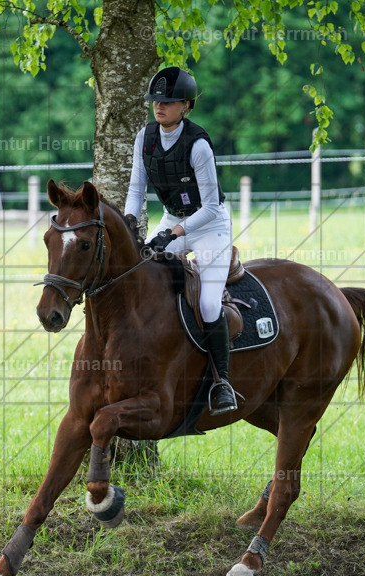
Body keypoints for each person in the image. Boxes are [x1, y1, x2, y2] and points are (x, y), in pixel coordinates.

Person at [124, 66, 237, 416]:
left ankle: (222, 384)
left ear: (186, 106)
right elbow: (135, 188)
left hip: (210, 225)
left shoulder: (199, 144)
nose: (160, 106)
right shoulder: (145, 138)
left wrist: (172, 233)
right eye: (156, 100)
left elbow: (211, 205)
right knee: (142, 275)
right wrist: (130, 220)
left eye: (169, 101)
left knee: (206, 304)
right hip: (174, 218)